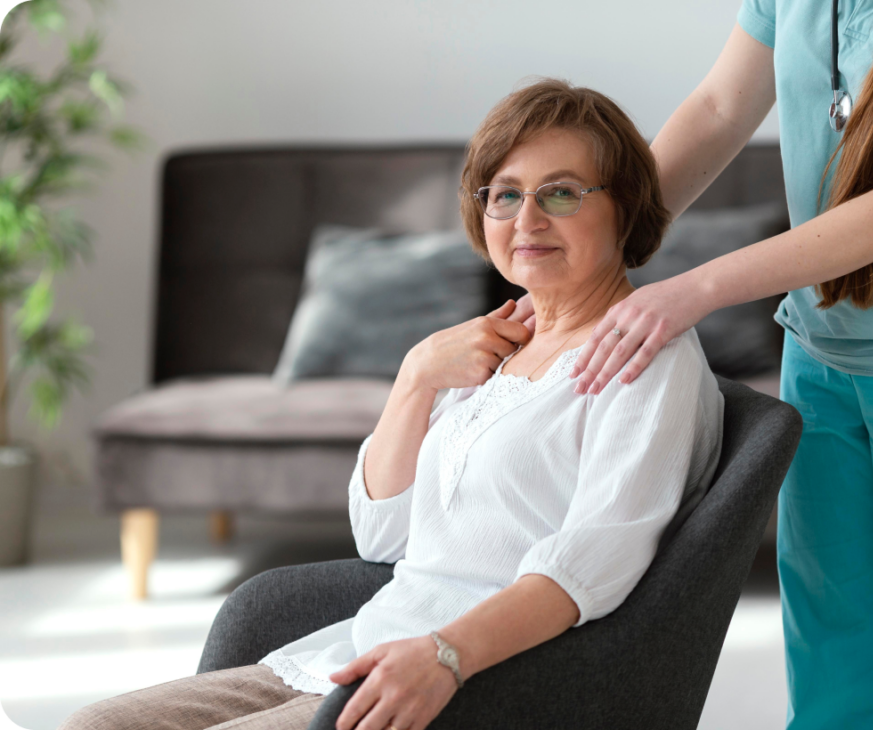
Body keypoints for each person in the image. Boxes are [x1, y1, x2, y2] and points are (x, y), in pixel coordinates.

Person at [58, 79, 725, 730]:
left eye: (561, 193)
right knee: (95, 723)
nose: (527, 219)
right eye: (505, 195)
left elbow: (590, 566)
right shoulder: (495, 344)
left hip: (480, 681)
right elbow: (383, 538)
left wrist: (444, 655)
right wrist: (415, 379)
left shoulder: (645, 359)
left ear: (628, 206)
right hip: (356, 650)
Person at [507, 1, 873, 727]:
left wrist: (697, 287)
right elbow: (719, 109)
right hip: (819, 360)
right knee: (834, 649)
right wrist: (592, 258)